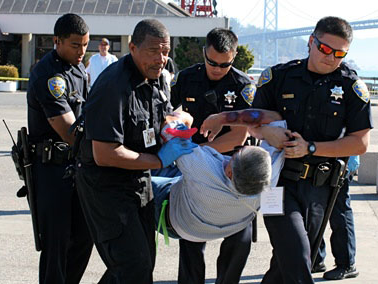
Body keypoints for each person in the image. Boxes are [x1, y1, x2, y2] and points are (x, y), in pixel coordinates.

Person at [252, 16, 373, 283]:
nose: (331, 58)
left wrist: (311, 147)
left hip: (320, 187)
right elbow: (254, 121)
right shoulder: (279, 77)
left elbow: (360, 143)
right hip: (277, 182)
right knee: (297, 255)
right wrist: (265, 132)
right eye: (325, 49)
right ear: (311, 42)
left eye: (340, 53)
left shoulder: (351, 87)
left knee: (286, 264)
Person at [75, 19, 194, 284]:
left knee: (141, 265)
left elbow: (164, 117)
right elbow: (105, 153)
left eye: (165, 52)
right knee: (133, 266)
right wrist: (159, 159)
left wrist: (180, 120)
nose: (161, 59)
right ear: (132, 47)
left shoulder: (157, 79)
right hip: (106, 185)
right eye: (153, 51)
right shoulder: (113, 85)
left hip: (139, 180)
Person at [168, 27, 257, 284]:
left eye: (224, 64)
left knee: (239, 235)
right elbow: (169, 113)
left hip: (231, 165)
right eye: (212, 62)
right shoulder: (185, 79)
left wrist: (197, 154)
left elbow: (237, 137)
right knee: (192, 233)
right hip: (195, 166)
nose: (217, 69)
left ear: (234, 56)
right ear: (204, 52)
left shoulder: (243, 87)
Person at [26, 13, 93, 283]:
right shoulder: (48, 75)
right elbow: (69, 132)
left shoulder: (78, 70)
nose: (81, 51)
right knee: (57, 244)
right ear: (57, 41)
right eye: (75, 45)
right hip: (52, 169)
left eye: (86, 44)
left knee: (84, 238)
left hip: (77, 168)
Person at [153, 117, 285, 243]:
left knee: (136, 181)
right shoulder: (267, 178)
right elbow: (279, 130)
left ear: (229, 173)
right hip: (212, 223)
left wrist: (184, 118)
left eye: (236, 152)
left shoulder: (204, 169)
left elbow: (173, 133)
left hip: (173, 215)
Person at [315, 155, 360, 280]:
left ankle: (347, 263)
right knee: (316, 211)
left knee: (339, 213)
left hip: (342, 162)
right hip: (325, 161)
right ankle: (316, 258)